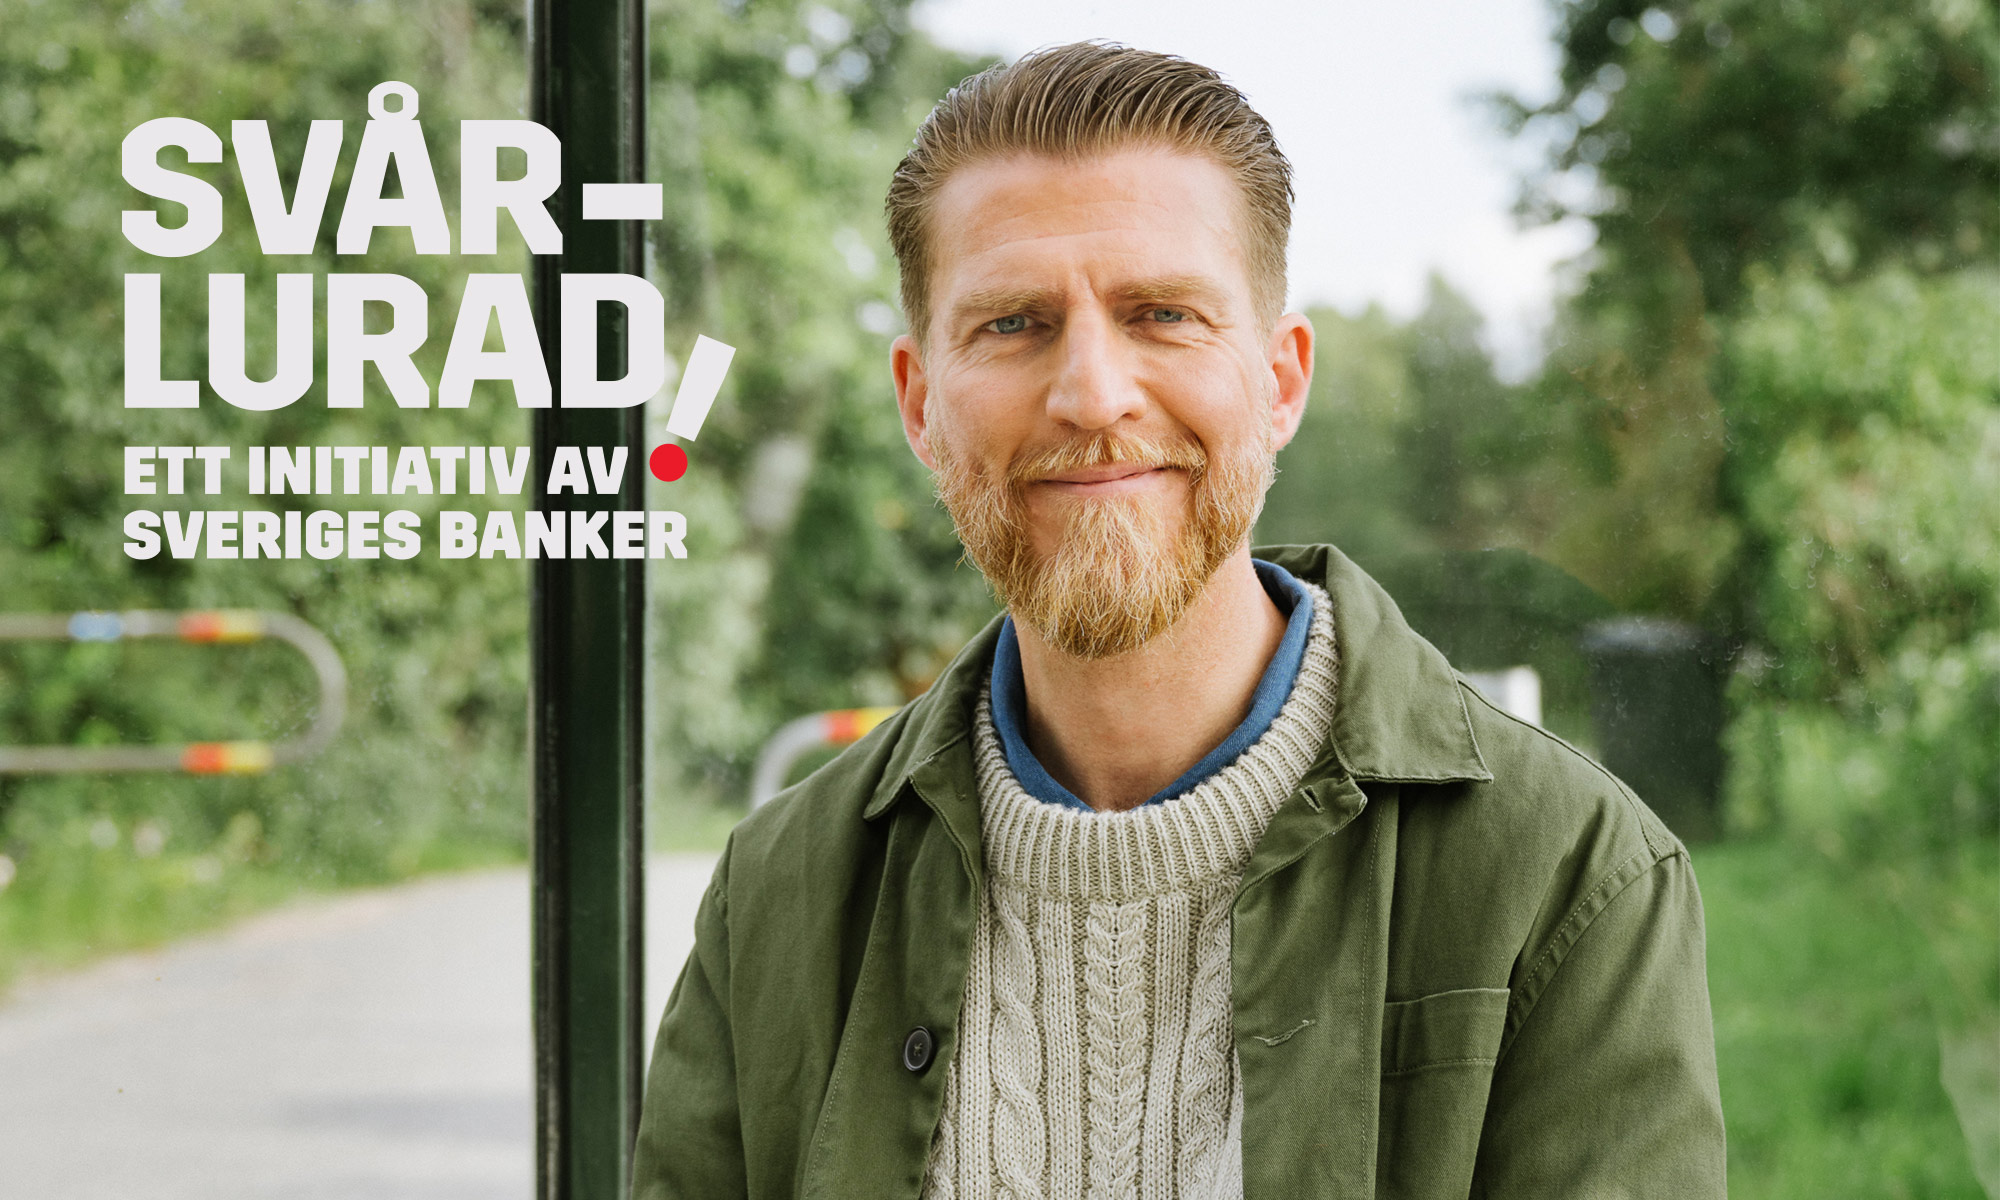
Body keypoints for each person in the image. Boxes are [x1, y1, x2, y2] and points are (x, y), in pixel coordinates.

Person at [631, 42, 1725, 1199]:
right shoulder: (777, 894)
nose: (1092, 393)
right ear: (917, 400)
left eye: (1161, 313)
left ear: (1281, 379)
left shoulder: (1570, 875)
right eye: (1011, 324)